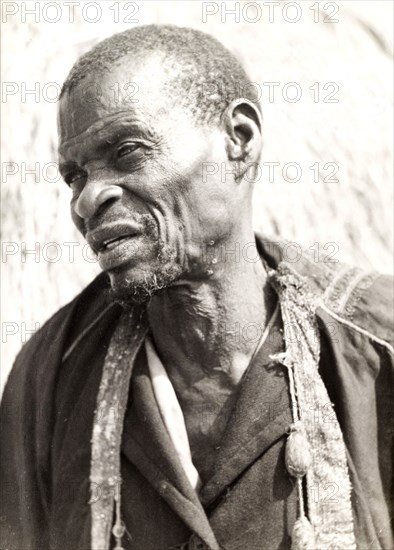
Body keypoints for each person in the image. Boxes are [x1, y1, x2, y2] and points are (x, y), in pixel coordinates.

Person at [0, 25, 392, 550]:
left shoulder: (373, 345)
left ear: (239, 140)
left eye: (128, 150)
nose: (88, 198)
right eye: (74, 176)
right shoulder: (50, 372)